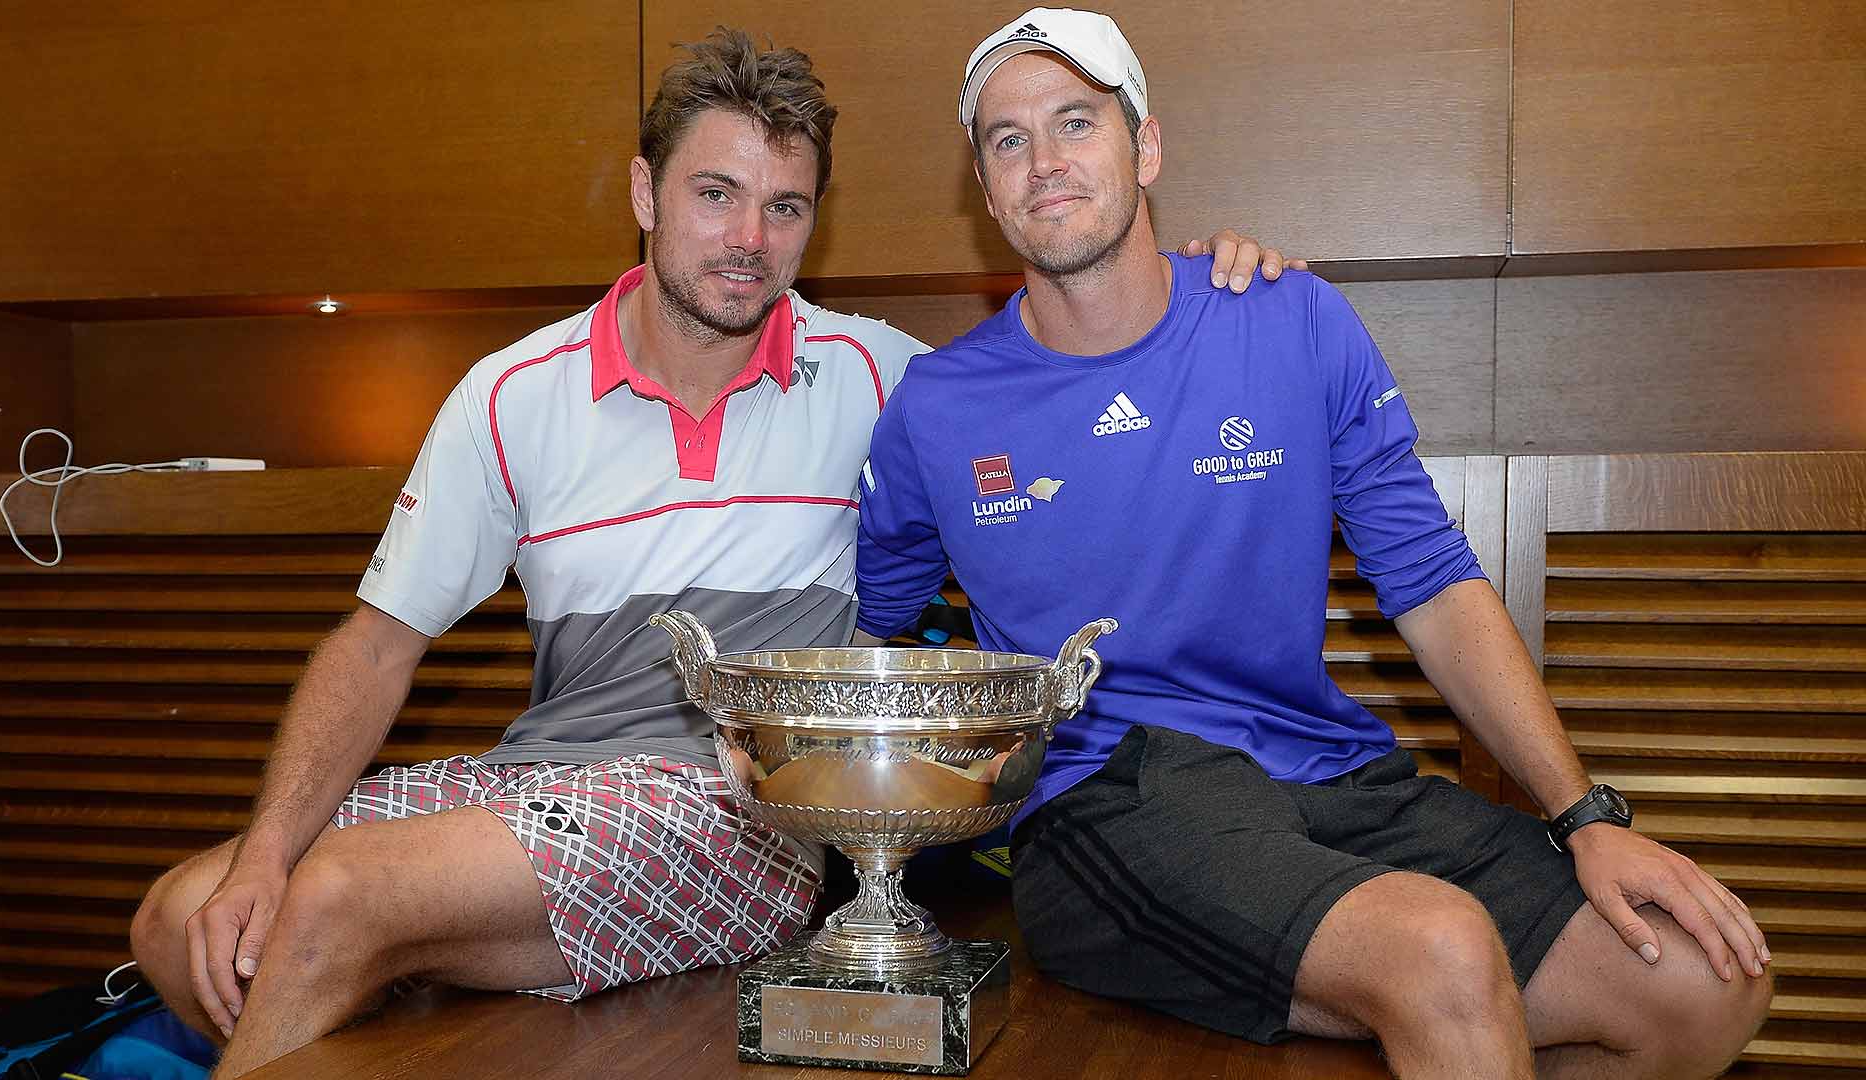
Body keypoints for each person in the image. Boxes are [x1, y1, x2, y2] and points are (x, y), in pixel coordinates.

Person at [127, 27, 1299, 1077]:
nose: (750, 240)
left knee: (335, 899)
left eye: (785, 208)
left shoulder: (885, 380)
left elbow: (1068, 376)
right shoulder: (509, 396)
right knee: (181, 916)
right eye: (716, 195)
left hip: (739, 814)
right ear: (644, 192)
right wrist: (261, 854)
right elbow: (377, 649)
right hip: (537, 784)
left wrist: (1196, 283)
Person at [853, 9, 1774, 1078]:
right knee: (1438, 951)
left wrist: (1583, 812)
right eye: (1007, 140)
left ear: (1146, 148)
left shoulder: (1291, 319)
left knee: (1709, 986)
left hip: (1327, 773)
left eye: (1075, 121)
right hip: (1108, 799)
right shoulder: (936, 406)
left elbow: (1432, 581)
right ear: (984, 185)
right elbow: (886, 643)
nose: (1044, 161)